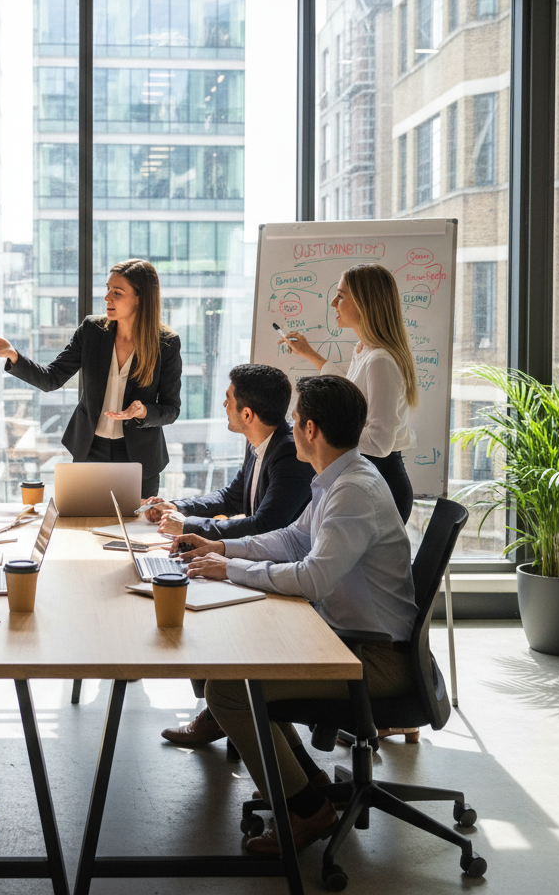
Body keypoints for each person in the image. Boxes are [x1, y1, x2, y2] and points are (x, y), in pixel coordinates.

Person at [168, 375, 417, 858]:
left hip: (377, 659)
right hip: (349, 639)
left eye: (296, 421)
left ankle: (306, 809)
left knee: (229, 689)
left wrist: (230, 568)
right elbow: (290, 540)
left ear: (311, 430)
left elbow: (310, 578)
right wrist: (221, 547)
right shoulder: (338, 479)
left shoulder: (353, 492)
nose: (290, 427)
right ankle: (308, 785)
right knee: (247, 670)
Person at [140, 364, 315, 747]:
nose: (223, 403)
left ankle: (221, 709)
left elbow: (264, 524)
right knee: (190, 583)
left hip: (281, 573)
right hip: (262, 559)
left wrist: (191, 527)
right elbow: (232, 498)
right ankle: (220, 709)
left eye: (229, 399)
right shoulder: (263, 445)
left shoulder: (288, 454)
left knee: (195, 595)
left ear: (247, 414)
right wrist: (177, 506)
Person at [0, 259, 181, 498]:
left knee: (134, 528)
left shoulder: (166, 344)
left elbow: (171, 409)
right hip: (91, 449)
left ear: (139, 298)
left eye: (117, 292)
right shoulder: (92, 330)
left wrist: (143, 412)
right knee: (83, 525)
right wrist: (14, 356)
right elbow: (51, 379)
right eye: (108, 289)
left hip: (140, 458)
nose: (107, 298)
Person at [280, 262, 419, 523]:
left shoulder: (380, 360)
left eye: (341, 296)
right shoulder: (364, 350)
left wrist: (324, 437)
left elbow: (379, 442)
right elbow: (353, 394)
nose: (333, 303)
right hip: (368, 475)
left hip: (382, 479)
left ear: (365, 303)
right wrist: (310, 355)